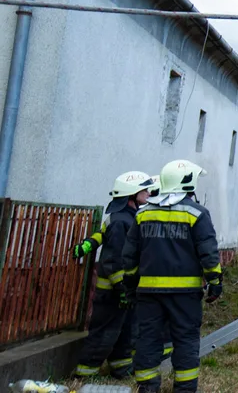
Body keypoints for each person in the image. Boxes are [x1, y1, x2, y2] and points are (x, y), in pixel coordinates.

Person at [123, 160, 222, 393]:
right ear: (187, 182)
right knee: (186, 341)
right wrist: (215, 282)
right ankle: (184, 389)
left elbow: (129, 257)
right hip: (185, 296)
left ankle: (147, 388)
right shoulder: (197, 214)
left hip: (148, 294)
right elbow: (208, 252)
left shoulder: (142, 214)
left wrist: (129, 286)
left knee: (147, 340)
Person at [71, 170, 155, 380]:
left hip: (125, 293)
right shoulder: (120, 221)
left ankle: (120, 369)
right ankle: (84, 374)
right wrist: (123, 289)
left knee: (125, 334)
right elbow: (114, 260)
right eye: (144, 189)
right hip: (112, 294)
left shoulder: (130, 217)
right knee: (103, 335)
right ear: (131, 194)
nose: (148, 192)